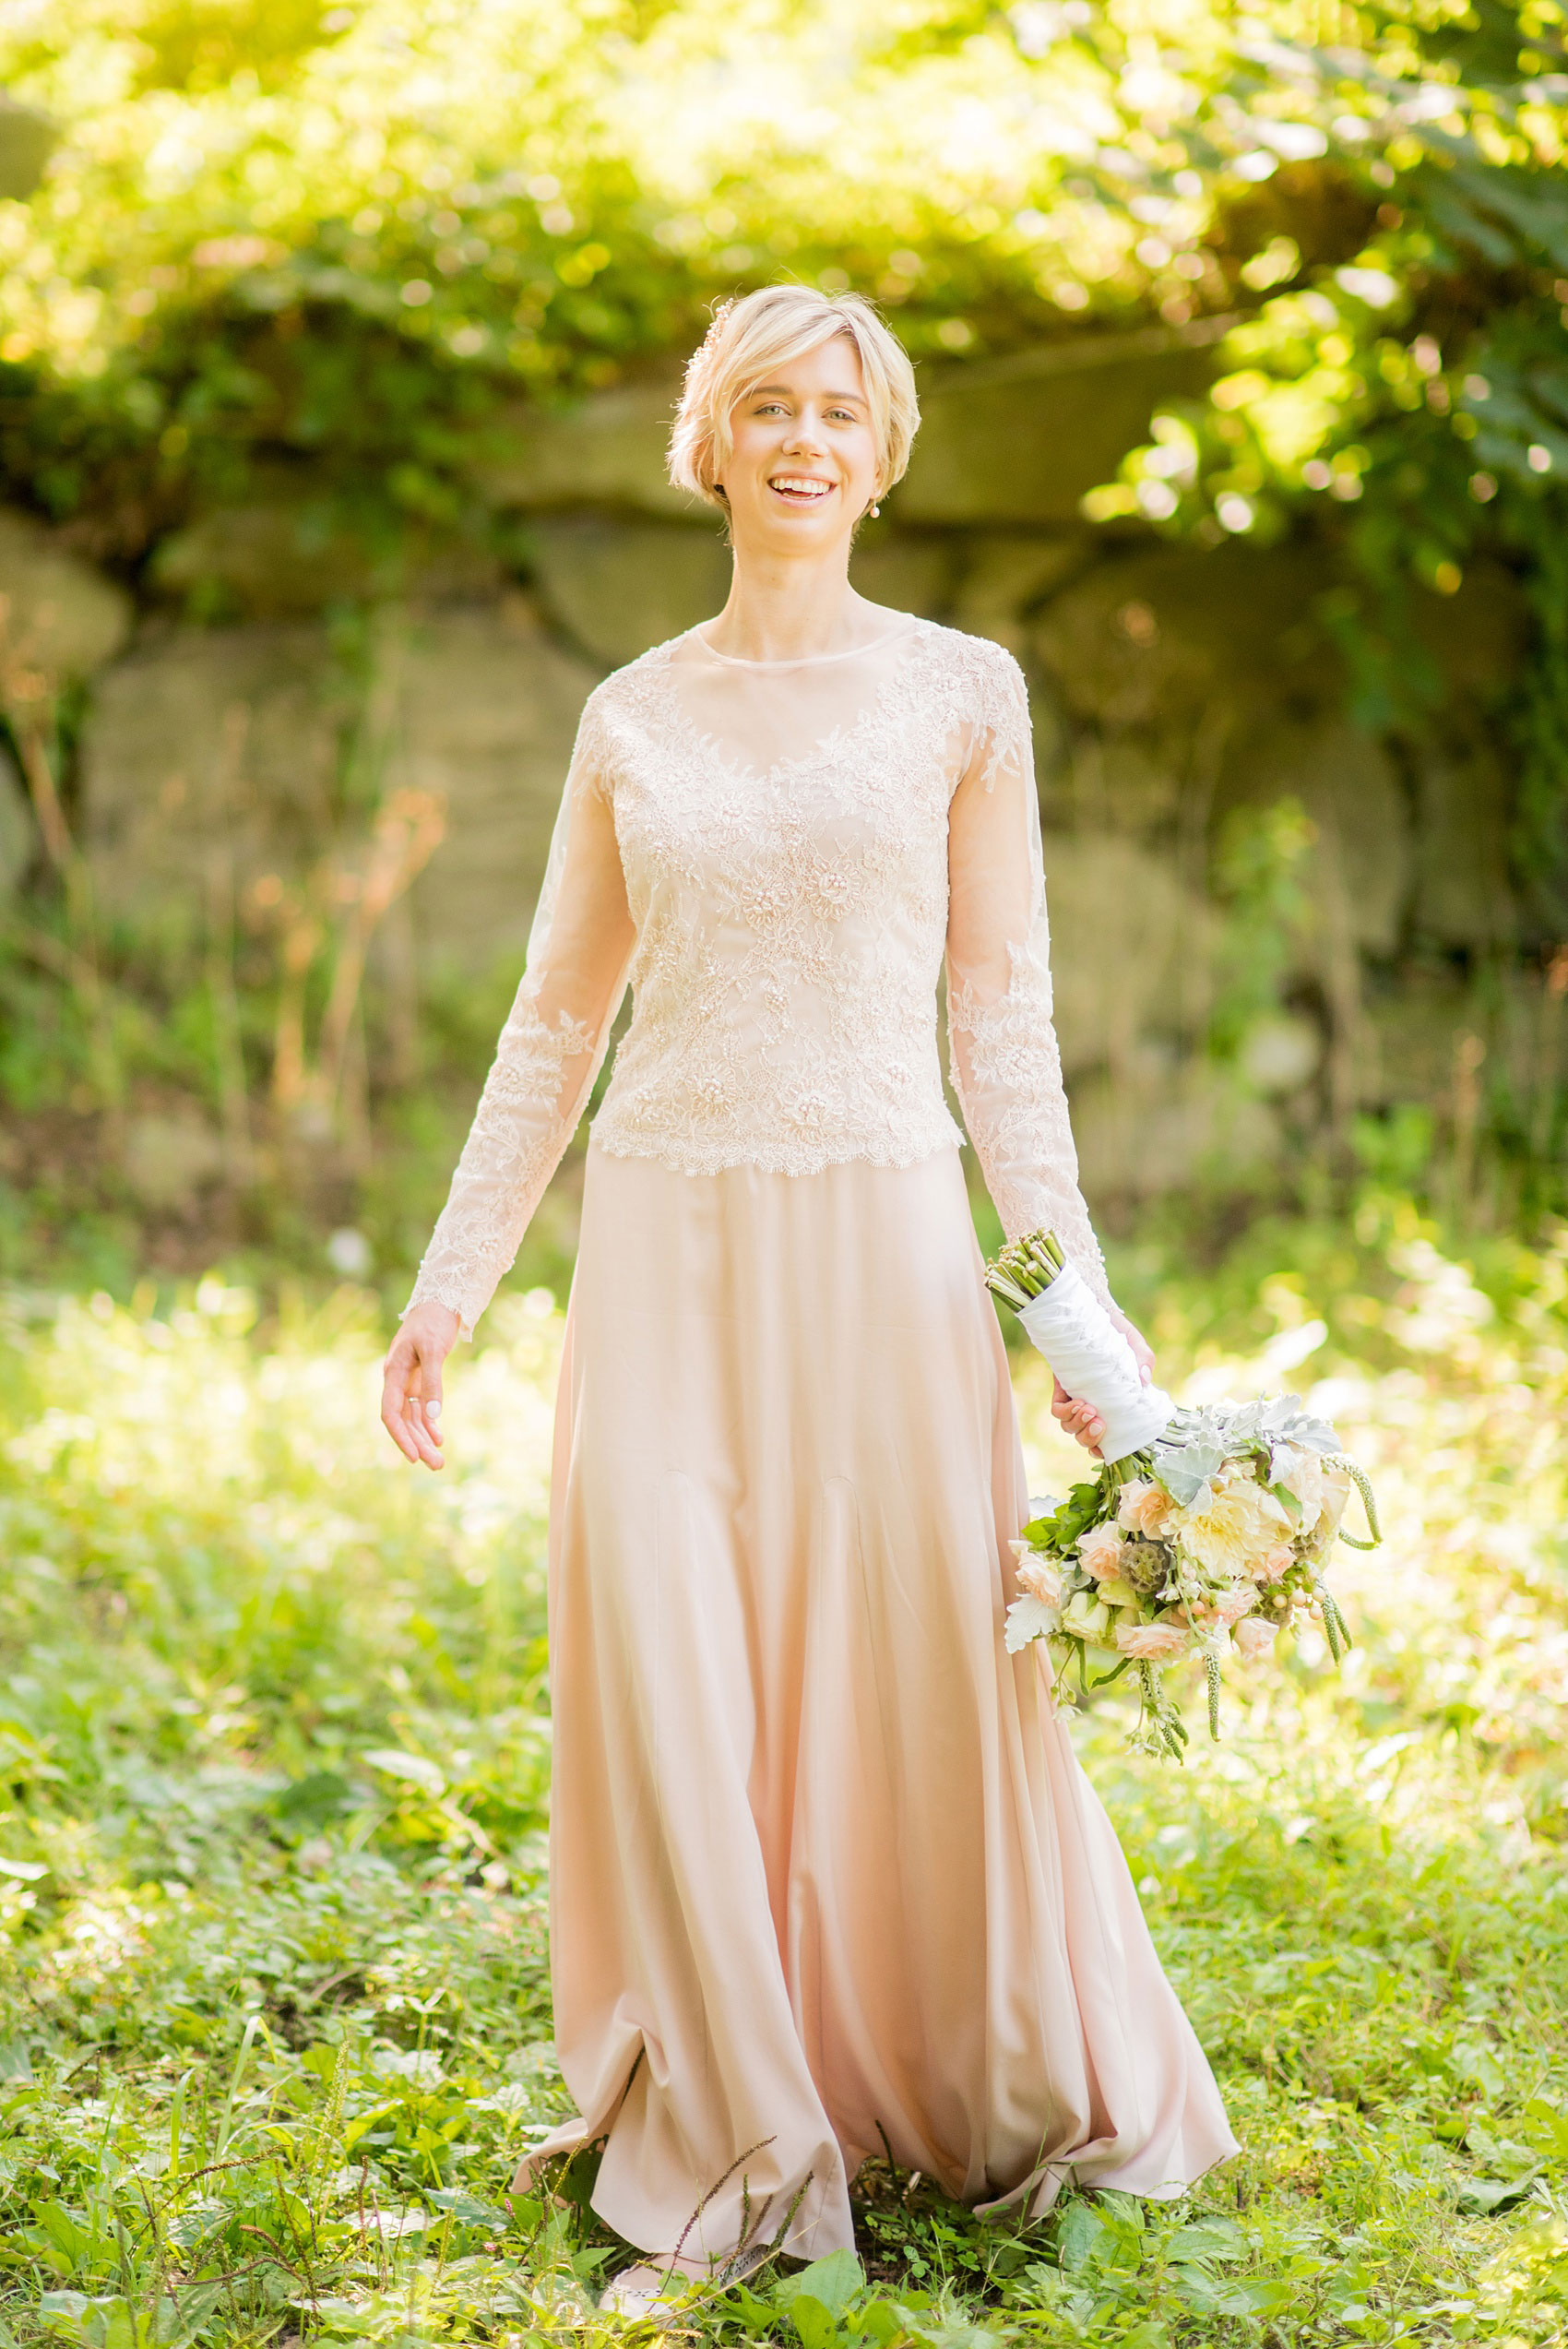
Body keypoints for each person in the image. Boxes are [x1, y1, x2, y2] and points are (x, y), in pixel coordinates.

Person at [381, 284, 1237, 2313]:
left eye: (839, 411)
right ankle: (745, 2140)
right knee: (670, 1665)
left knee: (912, 1663)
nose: (801, 440)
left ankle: (941, 2063)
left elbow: (1001, 1025)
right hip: (664, 1246)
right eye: (765, 404)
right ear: (709, 438)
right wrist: (450, 1288)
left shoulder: (965, 692)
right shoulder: (631, 713)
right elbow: (553, 1016)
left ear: (884, 447)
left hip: (879, 1244)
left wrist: (1085, 1342)